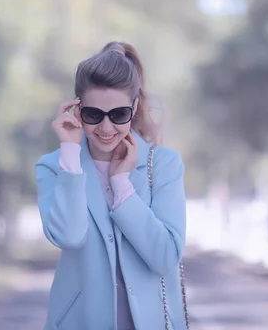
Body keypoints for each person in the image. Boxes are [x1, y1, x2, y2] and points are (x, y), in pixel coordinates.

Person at [35, 41, 187, 330]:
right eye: (93, 115)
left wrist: (122, 186)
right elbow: (69, 236)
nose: (106, 128)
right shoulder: (53, 167)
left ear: (134, 107)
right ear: (77, 110)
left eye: (118, 115)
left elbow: (165, 257)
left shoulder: (164, 165)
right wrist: (69, 153)